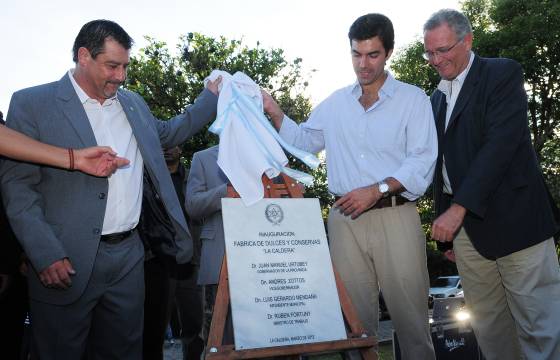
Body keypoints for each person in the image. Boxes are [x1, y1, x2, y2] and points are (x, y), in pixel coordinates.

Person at [1, 19, 220, 359]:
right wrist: (44, 252)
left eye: (125, 67)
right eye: (112, 66)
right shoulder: (32, 104)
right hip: (64, 261)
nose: (120, 76)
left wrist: (211, 96)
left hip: (129, 260)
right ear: (84, 56)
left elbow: (172, 131)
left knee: (125, 352)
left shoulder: (133, 104)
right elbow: (18, 188)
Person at [263, 13, 437, 359]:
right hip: (344, 222)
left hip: (395, 215)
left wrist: (378, 189)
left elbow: (422, 161)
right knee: (354, 325)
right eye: (357, 54)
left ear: (388, 52)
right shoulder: (336, 102)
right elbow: (303, 142)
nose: (363, 63)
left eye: (372, 54)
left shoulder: (413, 100)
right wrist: (274, 110)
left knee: (412, 324)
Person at [424, 9, 560, 360]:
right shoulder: (436, 98)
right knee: (490, 331)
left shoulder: (502, 73)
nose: (435, 60)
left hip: (518, 222)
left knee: (539, 328)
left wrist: (457, 210)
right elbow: (442, 167)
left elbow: (499, 147)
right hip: (467, 233)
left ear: (467, 40)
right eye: (430, 53)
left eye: (443, 50)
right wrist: (447, 227)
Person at [185, 145, 233, 344]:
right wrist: (224, 192)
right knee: (218, 339)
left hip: (263, 260)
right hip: (218, 258)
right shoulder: (203, 157)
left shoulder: (267, 154)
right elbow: (192, 205)